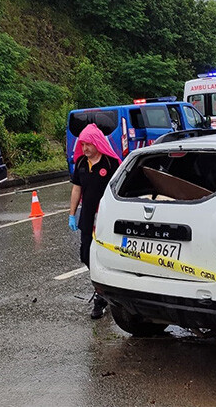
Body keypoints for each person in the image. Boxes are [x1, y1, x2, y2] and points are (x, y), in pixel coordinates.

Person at [68, 124, 121, 319]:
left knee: (103, 256)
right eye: (82, 145)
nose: (85, 149)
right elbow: (76, 189)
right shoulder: (81, 164)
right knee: (86, 255)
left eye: (88, 144)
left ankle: (101, 298)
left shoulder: (110, 163)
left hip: (105, 219)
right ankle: (102, 290)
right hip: (87, 217)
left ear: (97, 143)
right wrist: (72, 214)